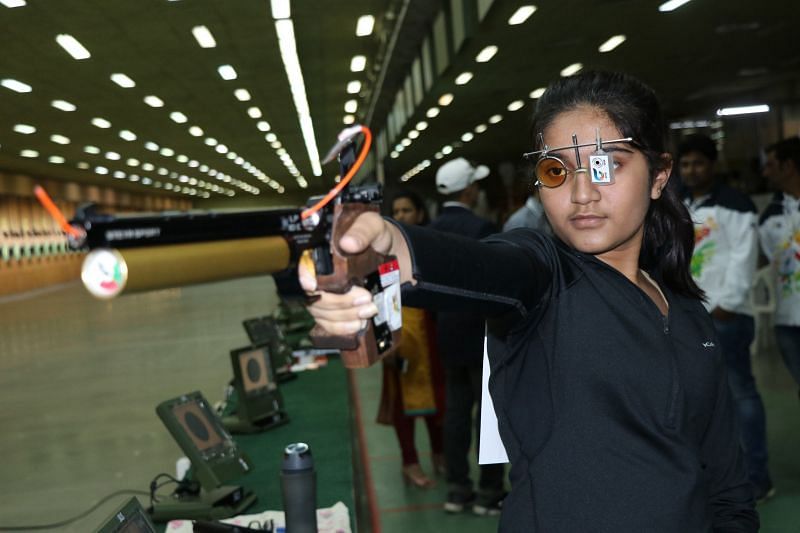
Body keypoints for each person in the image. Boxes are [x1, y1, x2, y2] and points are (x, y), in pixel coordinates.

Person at [300, 71, 758, 531]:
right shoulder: (543, 277)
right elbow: (483, 265)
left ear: (659, 176)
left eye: (607, 165)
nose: (582, 194)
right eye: (555, 171)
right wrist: (385, 245)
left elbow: (727, 485)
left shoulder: (689, 316)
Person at [678, 134, 773, 502]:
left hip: (726, 315)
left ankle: (756, 477)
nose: (691, 170)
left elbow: (744, 258)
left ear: (712, 165)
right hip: (689, 315)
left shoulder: (737, 205)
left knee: (740, 393)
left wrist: (727, 305)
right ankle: (711, 476)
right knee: (698, 400)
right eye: (685, 164)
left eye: (698, 163)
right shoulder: (679, 205)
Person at [429, 157, 506, 515]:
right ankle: (490, 492)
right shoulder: (482, 228)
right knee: (487, 418)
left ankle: (458, 490)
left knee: (456, 413)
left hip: (448, 334)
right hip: (482, 335)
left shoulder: (430, 230)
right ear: (469, 189)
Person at [375, 191, 445, 489]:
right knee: (403, 405)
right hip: (399, 335)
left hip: (431, 335)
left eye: (407, 209)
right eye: (396, 210)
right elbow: (377, 298)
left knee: (438, 398)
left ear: (419, 213)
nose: (401, 215)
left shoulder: (430, 248)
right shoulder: (384, 254)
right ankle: (410, 462)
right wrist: (384, 343)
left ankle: (440, 454)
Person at [759, 137, 800, 391]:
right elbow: (765, 259)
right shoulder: (770, 215)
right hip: (787, 320)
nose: (765, 172)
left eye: (771, 165)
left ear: (788, 166)